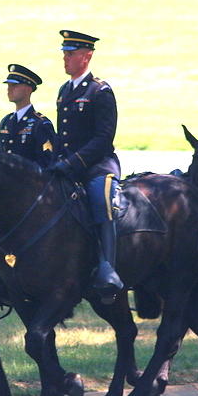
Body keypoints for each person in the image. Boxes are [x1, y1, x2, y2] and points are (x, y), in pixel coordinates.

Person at [46, 30, 124, 302]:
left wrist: (73, 163)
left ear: (86, 56)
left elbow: (103, 138)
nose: (65, 58)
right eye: (64, 53)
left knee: (101, 200)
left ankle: (108, 268)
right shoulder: (64, 90)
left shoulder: (100, 91)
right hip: (67, 165)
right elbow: (62, 134)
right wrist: (55, 162)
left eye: (71, 53)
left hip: (97, 166)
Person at [0, 64, 57, 168]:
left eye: (14, 85)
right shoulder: (6, 121)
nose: (9, 89)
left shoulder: (40, 124)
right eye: (8, 85)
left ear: (28, 89)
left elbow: (46, 162)